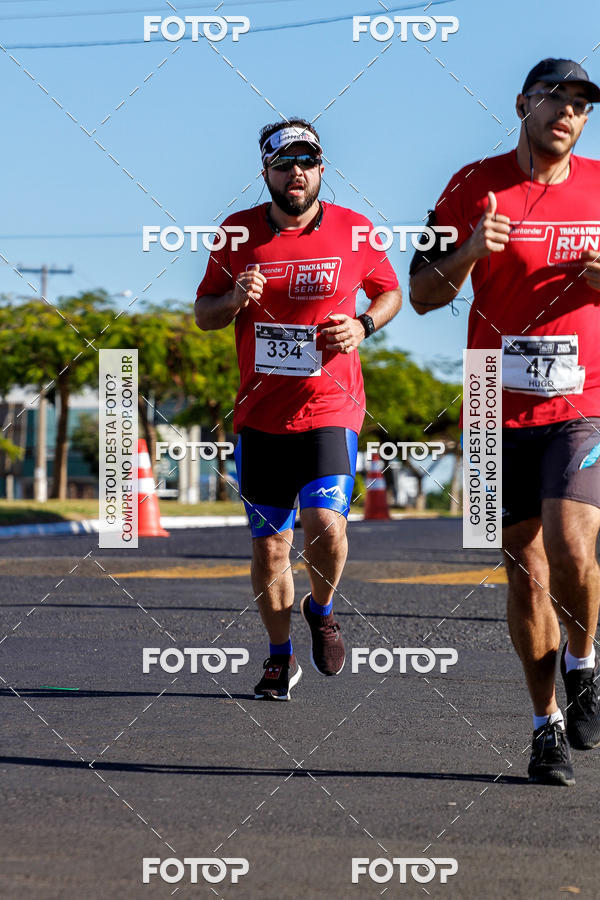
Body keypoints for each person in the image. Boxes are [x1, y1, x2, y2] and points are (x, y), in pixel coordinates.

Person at [409, 58, 600, 785]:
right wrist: (467, 251)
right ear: (523, 103)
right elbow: (422, 295)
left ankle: (585, 661)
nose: (570, 112)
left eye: (583, 104)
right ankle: (544, 725)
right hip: (493, 400)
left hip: (584, 400)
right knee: (525, 571)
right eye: (557, 97)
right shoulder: (470, 186)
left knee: (572, 546)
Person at [195, 119, 402, 700]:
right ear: (265, 171)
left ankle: (324, 607)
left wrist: (361, 325)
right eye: (285, 163)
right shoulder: (235, 236)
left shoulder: (354, 231)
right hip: (261, 418)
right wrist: (235, 298)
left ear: (321, 168)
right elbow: (204, 314)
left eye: (307, 161)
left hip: (331, 408)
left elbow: (390, 293)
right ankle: (280, 657)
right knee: (269, 548)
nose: (297, 173)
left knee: (326, 526)